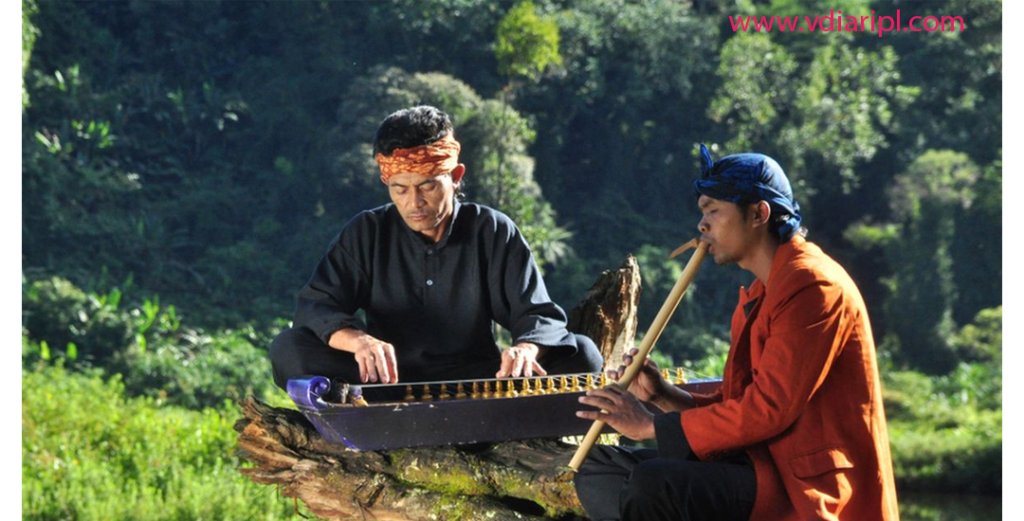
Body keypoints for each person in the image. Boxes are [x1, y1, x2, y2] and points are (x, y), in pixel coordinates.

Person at [573, 144, 899, 520]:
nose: (702, 225)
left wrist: (650, 426)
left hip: (798, 480)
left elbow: (769, 409)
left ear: (759, 213)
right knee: (601, 469)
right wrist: (662, 397)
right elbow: (738, 404)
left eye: (713, 210)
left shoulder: (814, 286)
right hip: (755, 462)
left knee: (654, 483)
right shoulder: (762, 291)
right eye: (702, 212)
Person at [270, 105, 602, 390]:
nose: (414, 202)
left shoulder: (492, 229)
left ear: (455, 176)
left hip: (479, 382)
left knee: (583, 355)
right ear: (387, 182)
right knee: (289, 349)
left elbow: (537, 314)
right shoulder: (367, 231)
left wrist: (526, 349)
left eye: (427, 186)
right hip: (385, 381)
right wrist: (359, 341)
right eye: (400, 189)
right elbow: (316, 307)